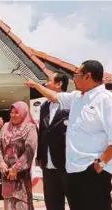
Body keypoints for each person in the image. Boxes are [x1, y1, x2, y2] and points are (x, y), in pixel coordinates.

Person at [25, 60, 112, 210]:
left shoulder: (105, 100)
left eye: (76, 74)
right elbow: (55, 97)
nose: (73, 78)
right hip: (73, 171)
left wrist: (100, 165)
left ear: (87, 76)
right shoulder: (77, 97)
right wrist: (36, 85)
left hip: (93, 172)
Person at [36, 72, 71, 210]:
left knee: (75, 202)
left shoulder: (71, 104)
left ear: (59, 84)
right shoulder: (44, 106)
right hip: (48, 165)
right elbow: (42, 132)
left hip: (67, 164)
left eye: (48, 80)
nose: (46, 83)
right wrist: (40, 156)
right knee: (52, 204)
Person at [0, 101, 38, 210]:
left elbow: (30, 150)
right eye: (11, 112)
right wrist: (0, 162)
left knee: (22, 204)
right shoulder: (5, 126)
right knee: (9, 203)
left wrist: (16, 168)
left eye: (16, 112)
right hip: (6, 174)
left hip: (21, 175)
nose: (12, 115)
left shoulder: (30, 128)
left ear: (24, 113)